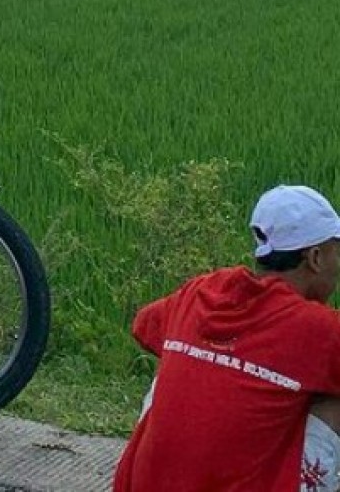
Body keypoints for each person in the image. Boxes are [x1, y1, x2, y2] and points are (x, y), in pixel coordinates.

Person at [113, 184, 340, 492]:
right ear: (315, 257)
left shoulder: (203, 291)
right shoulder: (319, 329)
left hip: (142, 485)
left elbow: (144, 325)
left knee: (176, 356)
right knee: (332, 397)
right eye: (336, 250)